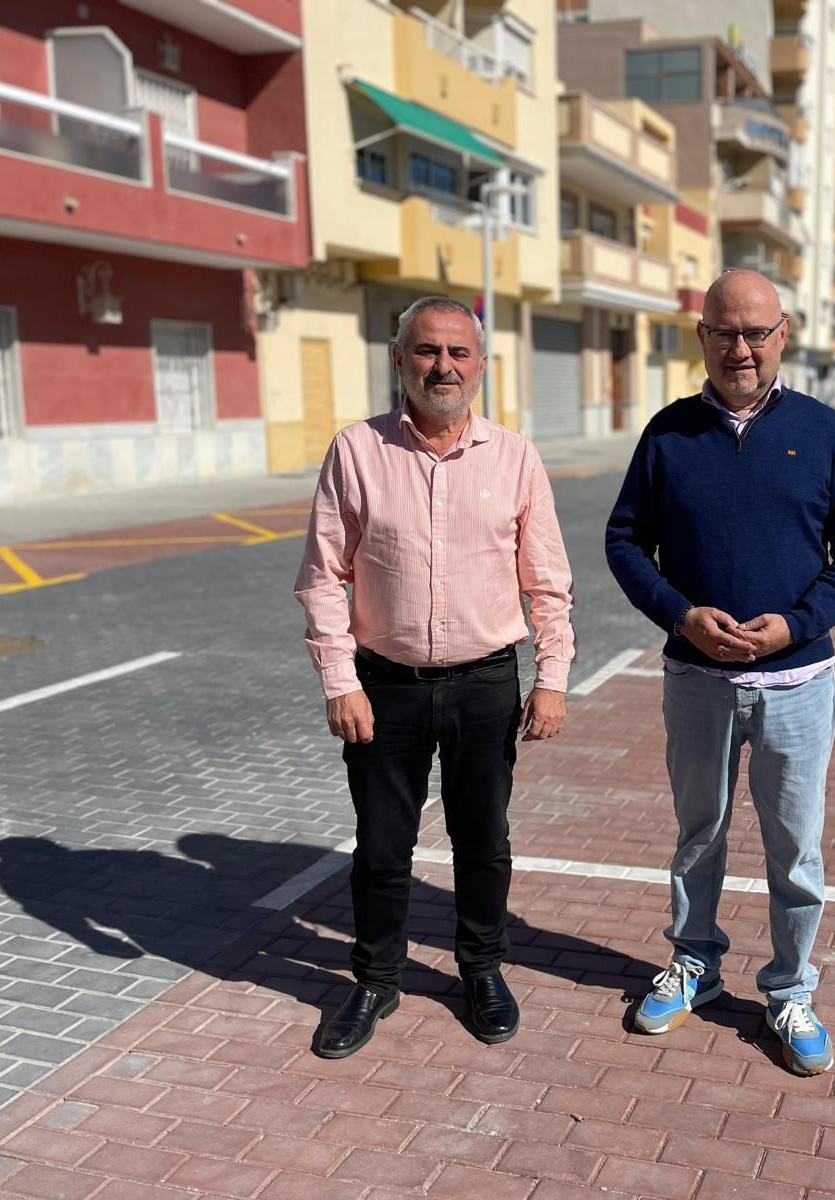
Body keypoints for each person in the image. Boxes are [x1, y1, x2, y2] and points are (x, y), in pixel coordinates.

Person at [605, 269, 835, 1075]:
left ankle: (791, 987)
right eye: (724, 331)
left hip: (799, 683)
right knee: (699, 835)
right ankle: (694, 961)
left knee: (796, 848)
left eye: (756, 332)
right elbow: (626, 542)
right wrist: (680, 613)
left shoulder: (824, 433)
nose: (740, 348)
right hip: (697, 682)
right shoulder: (668, 434)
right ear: (701, 337)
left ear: (783, 334)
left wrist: (795, 625)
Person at [294, 295, 573, 1058]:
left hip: (487, 682)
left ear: (480, 365)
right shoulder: (355, 451)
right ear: (399, 359)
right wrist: (338, 679)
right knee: (383, 845)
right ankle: (376, 979)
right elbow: (323, 577)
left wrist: (551, 678)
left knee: (483, 839)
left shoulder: (515, 457)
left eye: (457, 352)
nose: (442, 366)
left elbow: (546, 582)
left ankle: (481, 970)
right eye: (426, 351)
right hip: (385, 685)